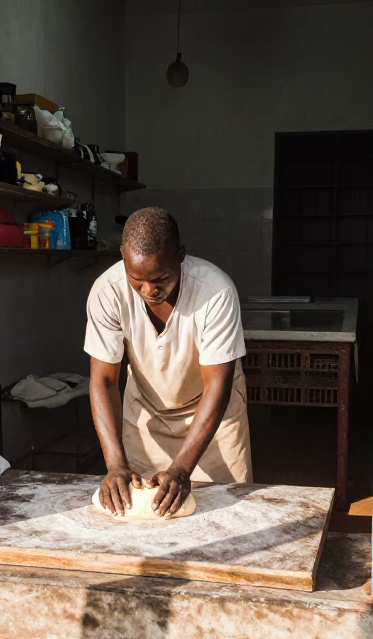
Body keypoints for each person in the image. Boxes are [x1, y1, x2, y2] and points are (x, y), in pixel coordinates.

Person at [84, 207, 252, 518]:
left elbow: (217, 384)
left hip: (214, 417)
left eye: (161, 278)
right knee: (145, 520)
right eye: (137, 280)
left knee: (222, 515)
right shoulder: (107, 292)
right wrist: (115, 464)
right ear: (122, 258)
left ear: (181, 256)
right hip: (147, 415)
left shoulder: (215, 292)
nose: (149, 290)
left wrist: (183, 468)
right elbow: (103, 380)